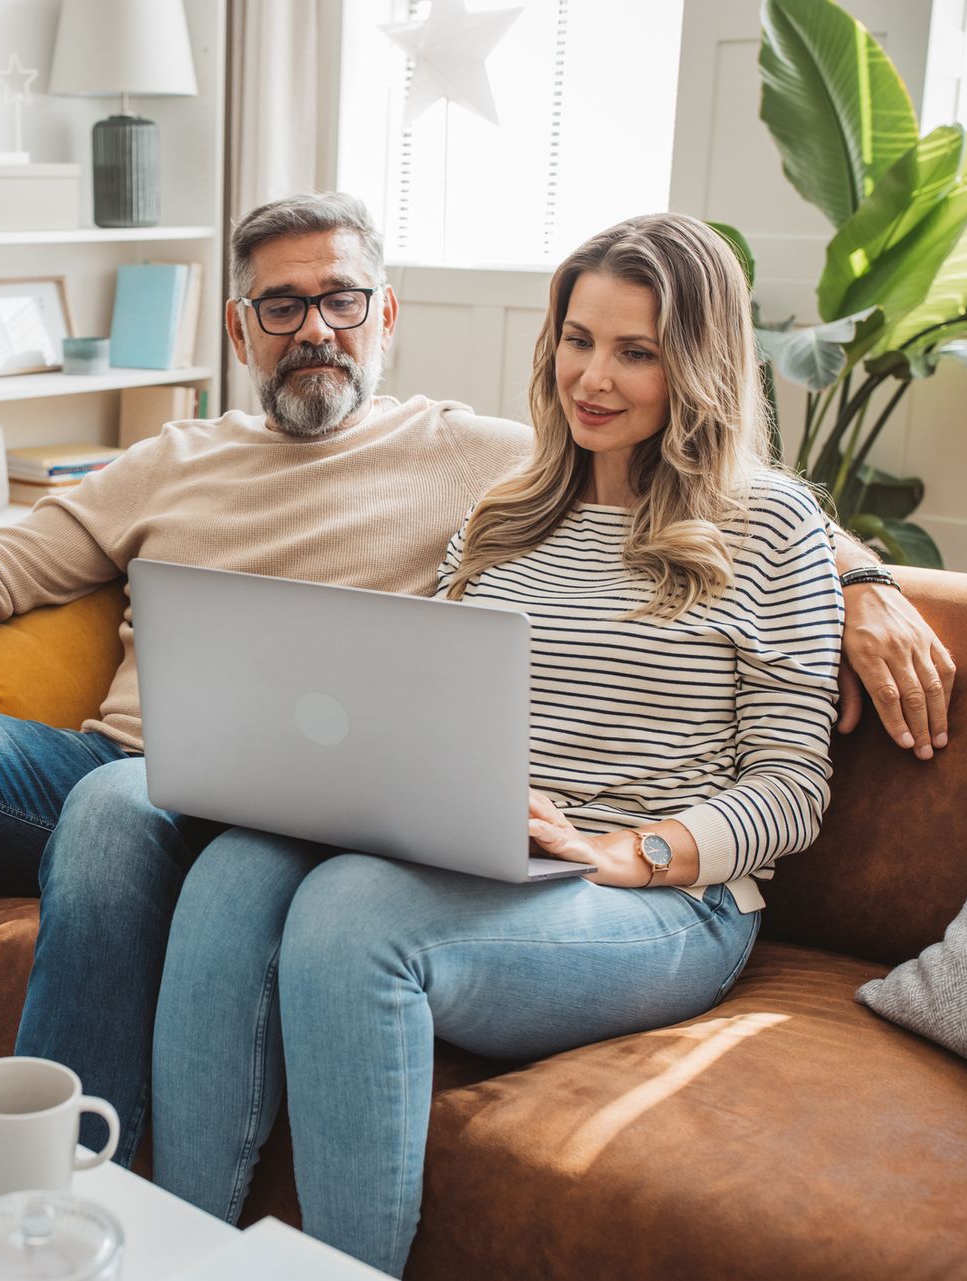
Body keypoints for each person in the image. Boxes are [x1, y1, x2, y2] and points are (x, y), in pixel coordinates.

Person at [0, 194, 952, 1160]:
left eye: (340, 299)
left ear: (385, 318)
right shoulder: (182, 458)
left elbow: (709, 485)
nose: (314, 326)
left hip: (261, 797)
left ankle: (68, 1174)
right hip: (103, 763)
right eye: (281, 306)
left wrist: (862, 579)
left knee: (132, 813)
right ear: (239, 329)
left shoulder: (485, 460)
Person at [145, 212, 840, 1273]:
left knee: (347, 919)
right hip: (487, 857)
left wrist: (636, 850)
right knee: (235, 867)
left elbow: (792, 786)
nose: (592, 377)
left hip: (665, 901)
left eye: (635, 351)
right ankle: (172, 1247)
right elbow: (428, 708)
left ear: (697, 366)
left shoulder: (774, 528)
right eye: (576, 338)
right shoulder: (505, 515)